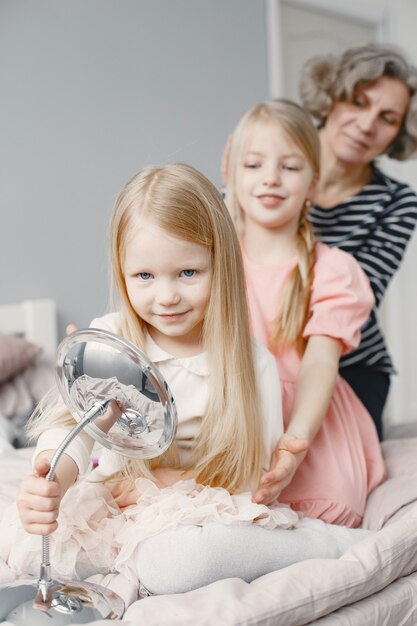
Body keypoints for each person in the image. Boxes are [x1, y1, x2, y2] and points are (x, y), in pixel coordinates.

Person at [1, 163, 370, 596]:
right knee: (24, 547)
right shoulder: (112, 341)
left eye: (188, 273)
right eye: (144, 276)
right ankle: (139, 562)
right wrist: (53, 483)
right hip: (121, 503)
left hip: (203, 510)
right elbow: (76, 430)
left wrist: (171, 485)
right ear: (122, 273)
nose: (167, 296)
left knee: (174, 564)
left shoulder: (251, 363)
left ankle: (322, 542)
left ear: (222, 266)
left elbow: (252, 480)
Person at [224, 99, 386, 528]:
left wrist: (294, 444)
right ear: (230, 172)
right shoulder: (213, 263)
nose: (271, 179)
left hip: (308, 420)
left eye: (290, 167)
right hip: (239, 412)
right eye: (254, 165)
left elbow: (319, 362)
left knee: (326, 509)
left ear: (313, 183)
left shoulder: (333, 269)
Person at [299, 43, 417, 440]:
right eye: (358, 101)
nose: (367, 124)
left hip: (353, 365)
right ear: (331, 97)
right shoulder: (269, 163)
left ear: (398, 134)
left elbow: (355, 296)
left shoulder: (398, 202)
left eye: (387, 118)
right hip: (262, 354)